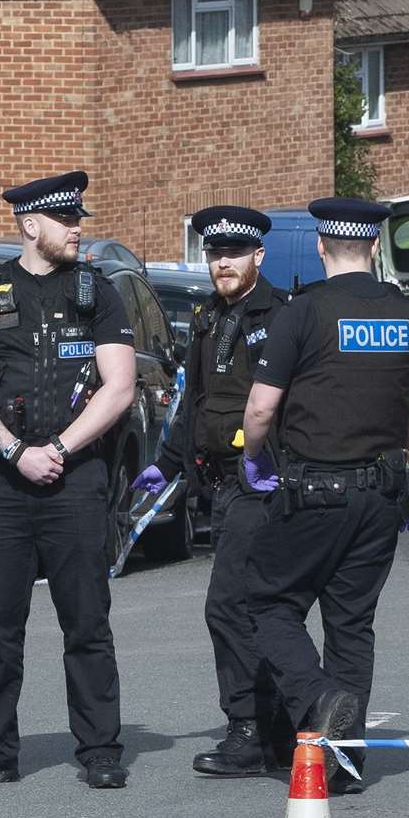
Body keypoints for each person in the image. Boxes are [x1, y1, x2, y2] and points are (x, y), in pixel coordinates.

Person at [0, 171, 137, 790]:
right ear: (30, 226)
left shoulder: (97, 293)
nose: (78, 229)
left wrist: (60, 448)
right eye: (66, 221)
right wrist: (16, 451)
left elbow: (120, 385)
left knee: (87, 620)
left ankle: (100, 748)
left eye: (78, 219)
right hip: (0, 485)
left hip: (76, 483)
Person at [240, 197, 409, 794]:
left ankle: (321, 699)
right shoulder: (406, 313)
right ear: (374, 248)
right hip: (381, 494)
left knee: (266, 604)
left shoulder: (303, 312)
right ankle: (345, 763)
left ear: (323, 247)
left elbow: (261, 406)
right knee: (352, 625)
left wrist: (252, 457)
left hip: (312, 492)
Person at [132, 205, 295, 776]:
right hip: (220, 485)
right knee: (255, 607)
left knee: (229, 606)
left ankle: (248, 729)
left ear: (258, 256)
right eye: (214, 254)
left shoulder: (280, 316)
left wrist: (272, 462)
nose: (222, 263)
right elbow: (196, 402)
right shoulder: (207, 317)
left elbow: (287, 404)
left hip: (261, 483)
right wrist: (168, 462)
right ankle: (275, 730)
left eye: (233, 254)